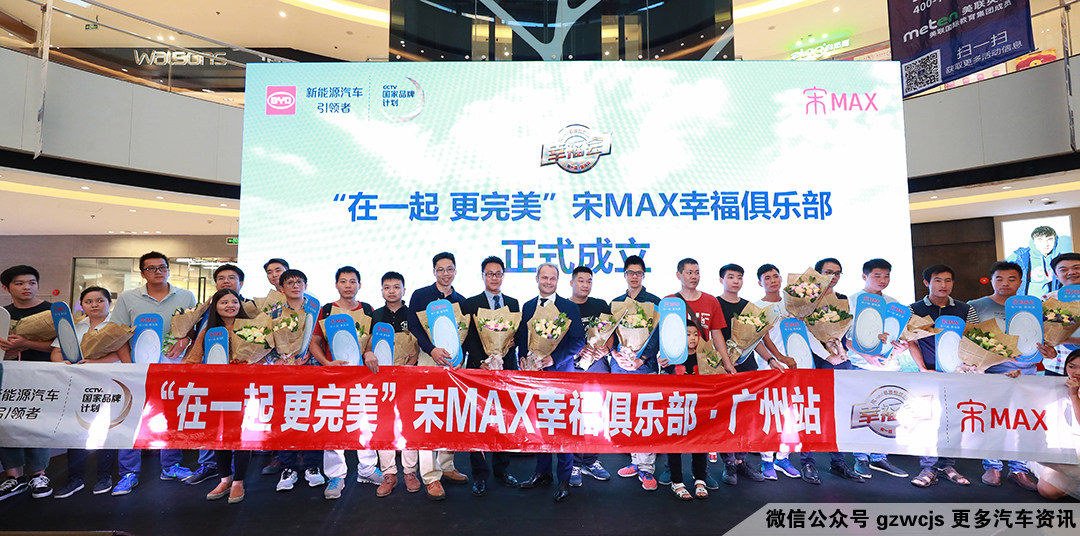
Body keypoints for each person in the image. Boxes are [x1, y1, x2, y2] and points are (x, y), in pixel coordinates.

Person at [108, 252, 196, 495]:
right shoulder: (128, 298)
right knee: (132, 418)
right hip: (137, 367)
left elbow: (194, 329)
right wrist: (129, 367)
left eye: (162, 267)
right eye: (152, 268)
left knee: (172, 416)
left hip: (173, 366)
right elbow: (118, 334)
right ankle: (128, 472)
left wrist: (186, 339)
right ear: (142, 273)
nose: (158, 272)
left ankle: (171, 465)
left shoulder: (186, 296)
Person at [968, 261, 1054, 491]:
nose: (1005, 283)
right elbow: (971, 341)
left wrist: (1049, 350)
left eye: (1012, 279)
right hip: (992, 372)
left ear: (1021, 281)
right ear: (991, 280)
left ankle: (1019, 469)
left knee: (1024, 421)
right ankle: (992, 466)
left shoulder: (1034, 306)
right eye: (999, 279)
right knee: (992, 419)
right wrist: (999, 359)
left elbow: (1044, 337)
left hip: (1027, 372)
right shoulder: (975, 306)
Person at [365, 271, 447, 501]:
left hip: (409, 376)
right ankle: (389, 474)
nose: (391, 291)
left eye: (396, 287)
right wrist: (368, 353)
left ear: (404, 290)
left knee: (409, 423)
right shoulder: (375, 314)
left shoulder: (412, 314)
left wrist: (408, 365)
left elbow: (420, 342)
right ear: (381, 290)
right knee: (384, 424)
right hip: (381, 378)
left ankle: (410, 472)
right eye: (387, 287)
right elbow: (368, 344)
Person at [515, 263, 586, 502]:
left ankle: (564, 478)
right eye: (544, 277)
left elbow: (578, 341)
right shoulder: (527, 306)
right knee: (539, 425)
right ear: (537, 279)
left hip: (561, 375)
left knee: (562, 428)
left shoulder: (569, 307)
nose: (548, 282)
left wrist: (553, 358)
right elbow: (521, 337)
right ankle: (542, 472)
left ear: (557, 281)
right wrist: (522, 356)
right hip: (534, 377)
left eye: (552, 278)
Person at [50, 286, 127, 499]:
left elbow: (121, 354)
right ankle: (75, 478)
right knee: (76, 431)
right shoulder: (73, 325)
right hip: (77, 385)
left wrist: (93, 362)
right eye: (89, 301)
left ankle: (104, 476)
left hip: (109, 384)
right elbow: (56, 351)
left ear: (109, 303)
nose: (94, 305)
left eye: (100, 300)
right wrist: (63, 363)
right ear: (82, 305)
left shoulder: (117, 326)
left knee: (106, 430)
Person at [906, 264, 978, 488]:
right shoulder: (913, 309)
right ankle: (928, 468)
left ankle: (948, 465)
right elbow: (911, 341)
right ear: (926, 283)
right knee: (927, 420)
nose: (943, 285)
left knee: (952, 420)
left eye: (948, 280)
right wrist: (923, 369)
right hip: (927, 374)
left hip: (957, 376)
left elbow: (974, 340)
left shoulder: (966, 309)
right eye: (937, 280)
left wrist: (965, 367)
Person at [838, 258, 911, 480]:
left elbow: (900, 335)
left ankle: (880, 456)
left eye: (886, 276)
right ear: (864, 276)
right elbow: (842, 337)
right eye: (877, 275)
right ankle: (861, 457)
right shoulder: (852, 301)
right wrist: (866, 355)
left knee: (888, 409)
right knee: (863, 411)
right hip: (861, 365)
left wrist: (902, 346)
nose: (882, 280)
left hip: (889, 366)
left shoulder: (893, 302)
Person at [183, 289, 252, 504]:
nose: (230, 305)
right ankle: (225, 479)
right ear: (216, 307)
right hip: (216, 392)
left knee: (241, 437)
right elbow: (193, 360)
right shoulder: (208, 332)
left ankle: (239, 482)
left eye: (234, 301)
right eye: (224, 302)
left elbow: (262, 358)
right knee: (219, 436)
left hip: (244, 391)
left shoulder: (252, 329)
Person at [459, 256, 520, 496]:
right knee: (478, 422)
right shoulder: (471, 303)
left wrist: (512, 343)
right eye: (489, 274)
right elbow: (468, 339)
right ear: (483, 276)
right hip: (478, 371)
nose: (494, 278)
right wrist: (483, 361)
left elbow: (517, 335)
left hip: (505, 371)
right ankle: (479, 475)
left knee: (503, 421)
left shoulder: (513, 303)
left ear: (503, 276)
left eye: (498, 273)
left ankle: (502, 470)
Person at [406, 252, 467, 486]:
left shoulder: (462, 300)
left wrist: (461, 357)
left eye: (449, 269)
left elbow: (466, 333)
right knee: (428, 414)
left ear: (456, 271)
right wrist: (431, 349)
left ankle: (447, 466)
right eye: (440, 269)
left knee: (450, 414)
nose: (445, 273)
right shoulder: (420, 295)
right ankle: (431, 476)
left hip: (455, 364)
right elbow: (414, 326)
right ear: (434, 272)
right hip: (429, 359)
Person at [807, 258, 867, 484]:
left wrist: (843, 350)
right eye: (828, 272)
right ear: (817, 274)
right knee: (811, 410)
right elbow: (805, 332)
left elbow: (848, 332)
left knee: (840, 411)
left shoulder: (844, 300)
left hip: (840, 360)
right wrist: (826, 355)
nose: (833, 276)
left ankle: (839, 462)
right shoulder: (806, 299)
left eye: (838, 273)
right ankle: (807, 462)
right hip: (814, 360)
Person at [0, 265, 56, 500]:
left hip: (41, 374)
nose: (27, 287)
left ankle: (38, 474)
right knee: (6, 422)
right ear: (6, 287)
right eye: (20, 283)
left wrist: (27, 344)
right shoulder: (3, 313)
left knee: (36, 422)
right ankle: (14, 477)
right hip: (7, 375)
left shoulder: (52, 311)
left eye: (32, 283)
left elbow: (64, 346)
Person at [269, 269, 326, 493]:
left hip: (312, 371)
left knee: (313, 418)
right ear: (282, 288)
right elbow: (265, 344)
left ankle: (312, 466)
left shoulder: (316, 310)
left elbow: (320, 339)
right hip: (284, 374)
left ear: (305, 285)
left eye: (299, 282)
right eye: (290, 283)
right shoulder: (273, 313)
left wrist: (311, 354)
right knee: (286, 419)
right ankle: (288, 468)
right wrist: (278, 360)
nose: (295, 286)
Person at [715, 264, 766, 486]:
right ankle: (728, 463)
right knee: (727, 417)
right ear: (721, 280)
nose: (736, 281)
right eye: (731, 277)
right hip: (722, 368)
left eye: (739, 277)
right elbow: (710, 337)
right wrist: (724, 361)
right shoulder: (714, 304)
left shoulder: (749, 307)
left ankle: (741, 460)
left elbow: (756, 340)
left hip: (747, 367)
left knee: (746, 417)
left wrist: (771, 360)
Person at [567, 266, 613, 488]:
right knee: (574, 415)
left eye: (589, 281)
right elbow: (554, 339)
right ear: (572, 282)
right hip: (571, 368)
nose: (585, 285)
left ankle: (592, 460)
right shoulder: (563, 306)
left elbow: (612, 332)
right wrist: (576, 351)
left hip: (597, 367)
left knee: (597, 415)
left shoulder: (600, 305)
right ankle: (574, 464)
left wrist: (606, 349)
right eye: (581, 280)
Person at [663, 321, 710, 500]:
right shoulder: (671, 358)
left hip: (699, 408)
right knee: (675, 445)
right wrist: (662, 366)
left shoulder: (706, 357)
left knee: (701, 444)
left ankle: (700, 479)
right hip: (676, 408)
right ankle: (677, 481)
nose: (692, 338)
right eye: (688, 334)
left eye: (695, 334)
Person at [1030, 349, 1080, 500]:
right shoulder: (1058, 385)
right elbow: (1028, 396)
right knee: (1047, 490)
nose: (1077, 372)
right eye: (1072, 366)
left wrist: (1074, 395)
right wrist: (1015, 380)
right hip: (1067, 444)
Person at [1042, 253, 1080, 377]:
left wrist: (1063, 339)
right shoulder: (1047, 300)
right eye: (1063, 270)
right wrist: (1046, 349)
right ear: (1056, 275)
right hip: (1057, 366)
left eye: (1076, 268)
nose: (1071, 272)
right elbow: (1037, 334)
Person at [1006, 226, 1068, 296]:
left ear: (1055, 240)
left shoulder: (1059, 258)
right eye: (1040, 240)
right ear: (1034, 241)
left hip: (1049, 300)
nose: (1046, 244)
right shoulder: (1020, 256)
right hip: (1025, 300)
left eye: (1050, 239)